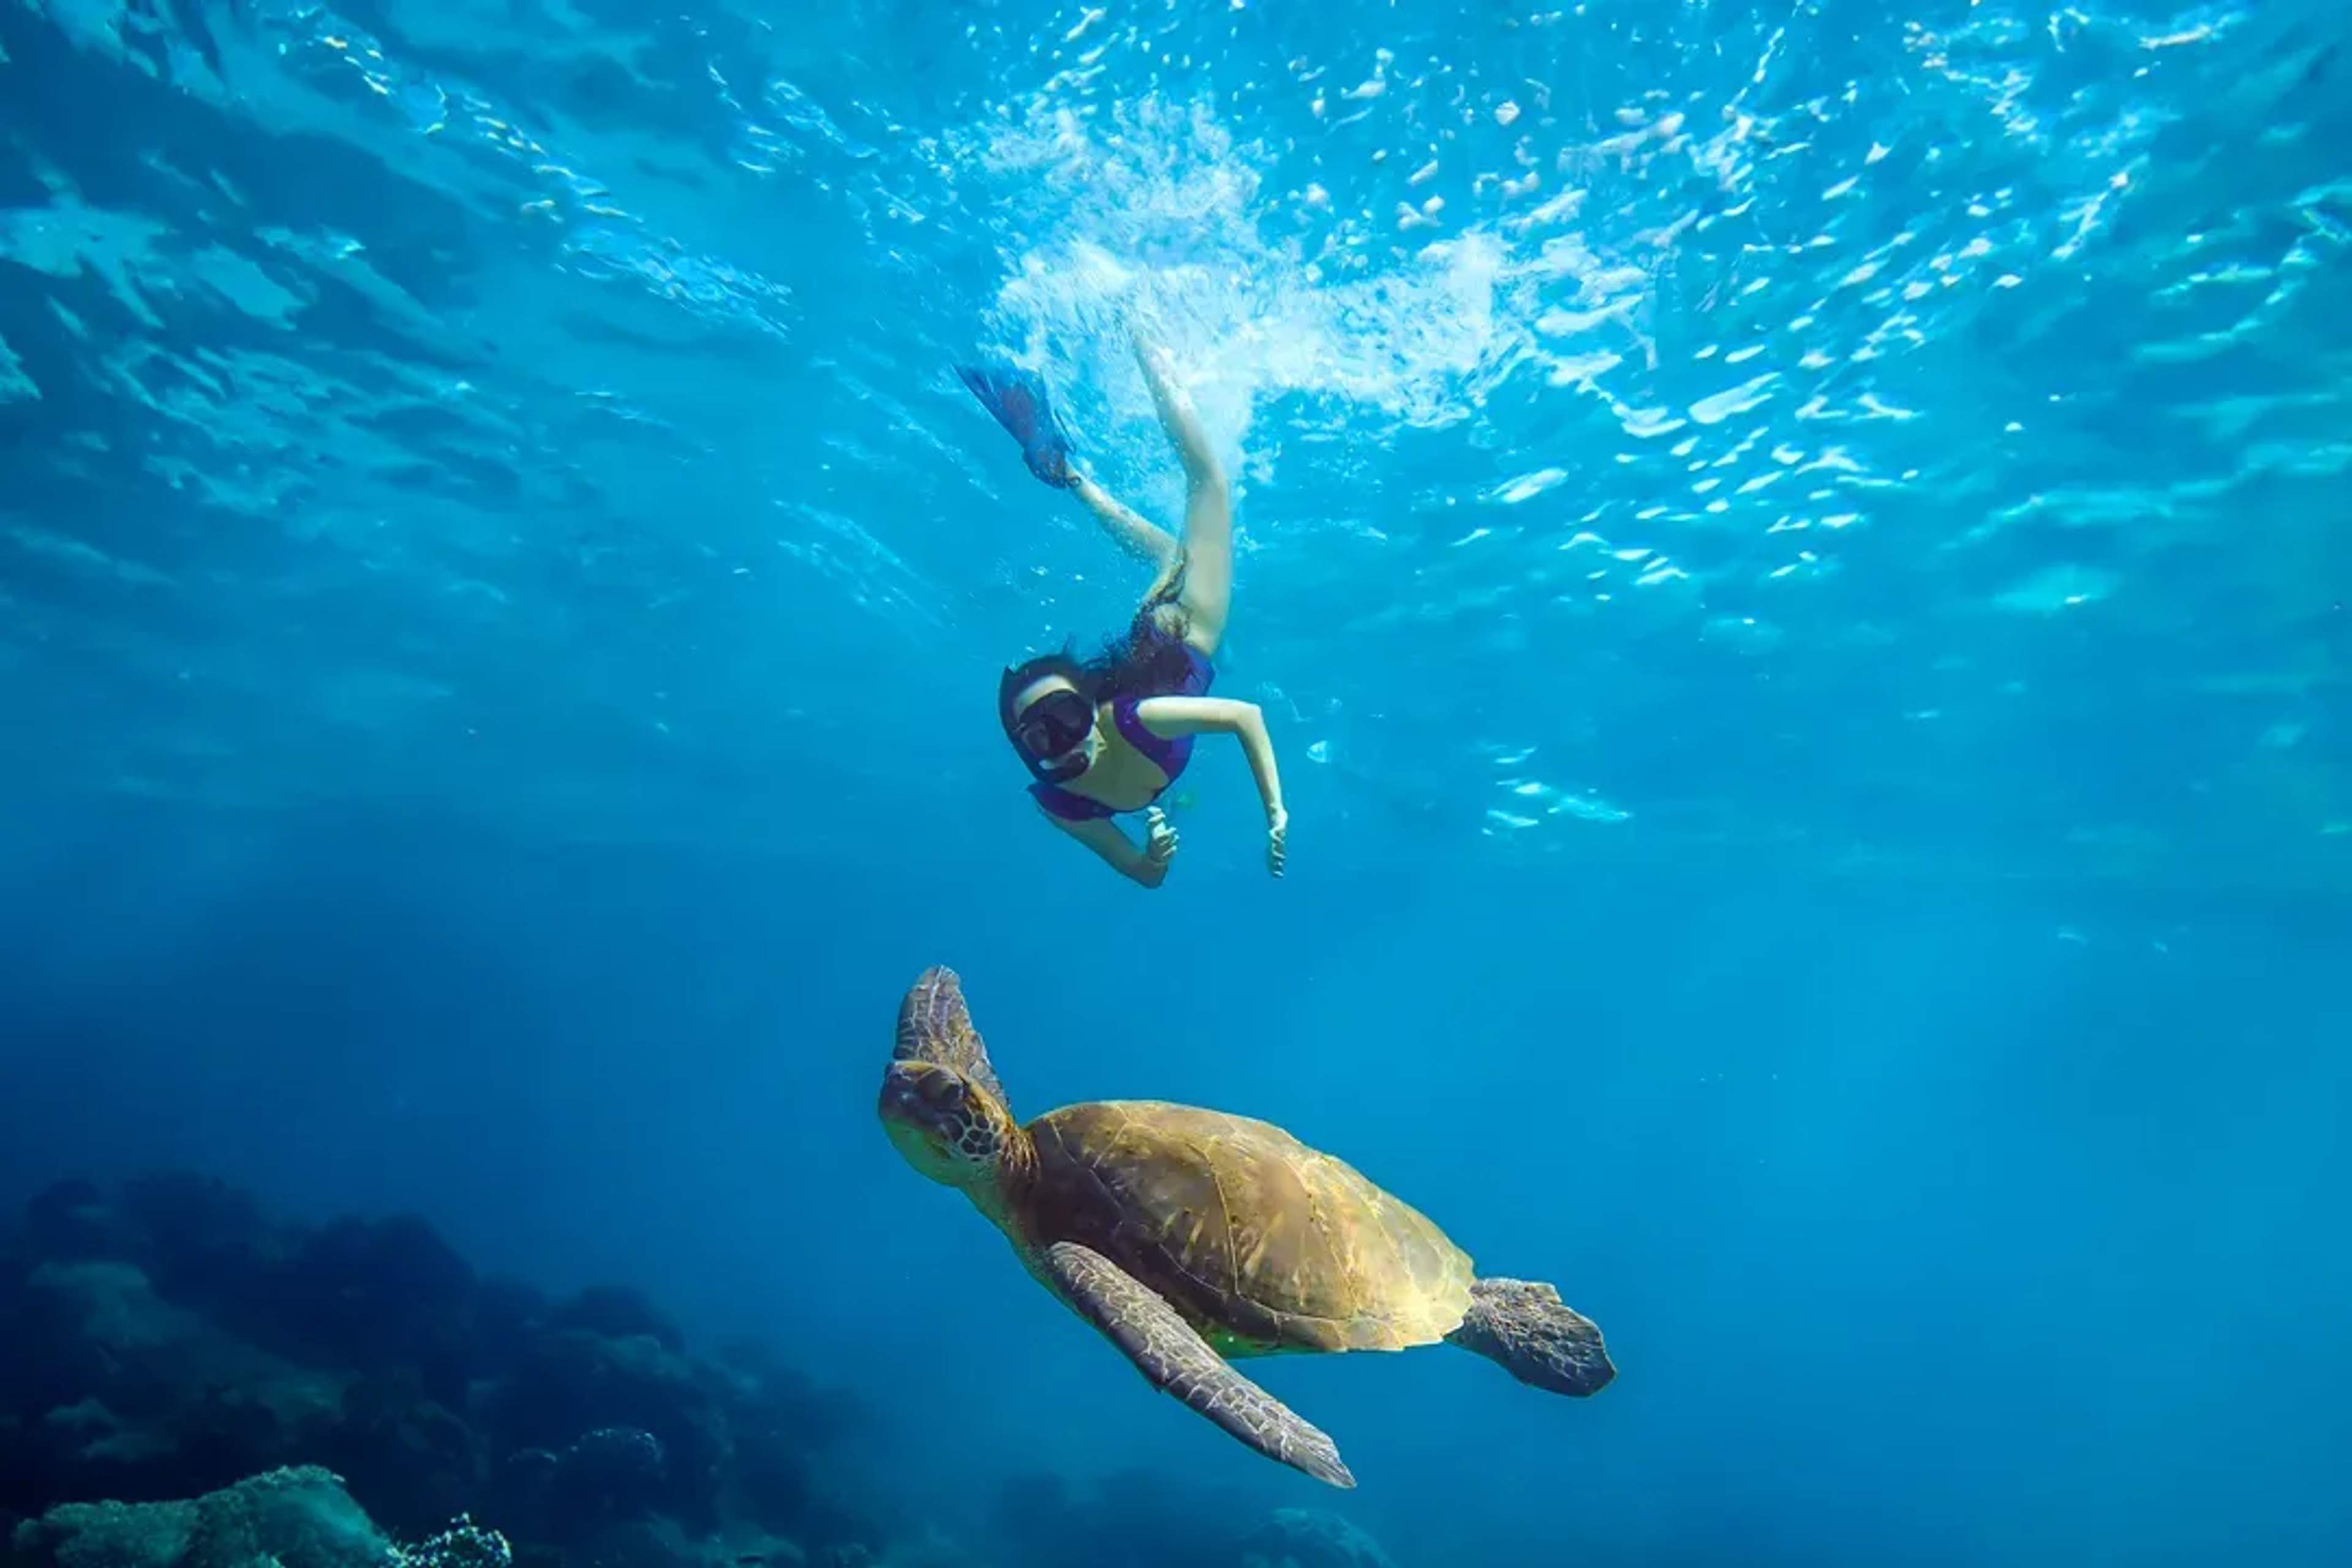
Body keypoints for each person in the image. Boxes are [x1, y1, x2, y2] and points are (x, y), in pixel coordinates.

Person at [961, 334, 1286, 889]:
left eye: (1065, 718)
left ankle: (1142, 337)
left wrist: (1276, 810)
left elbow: (1245, 716)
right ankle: (1066, 474)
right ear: (1025, 749)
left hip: (1188, 627)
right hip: (1158, 638)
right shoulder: (1062, 804)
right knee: (1168, 556)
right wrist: (1156, 855)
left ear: (1090, 707)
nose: (1066, 743)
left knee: (1209, 483)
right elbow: (1143, 875)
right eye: (1043, 737)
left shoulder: (1136, 720)